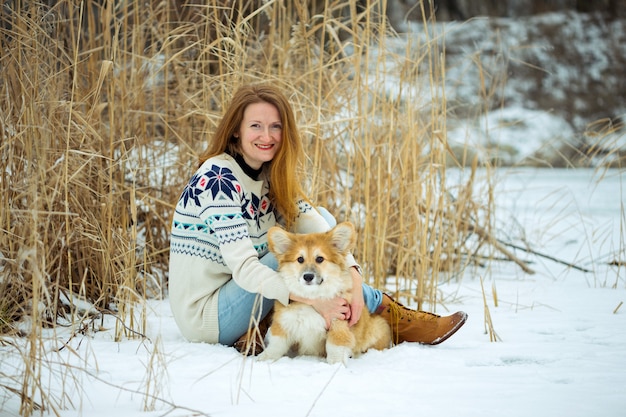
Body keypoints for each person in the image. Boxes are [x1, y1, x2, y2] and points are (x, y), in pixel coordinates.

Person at [168, 84, 467, 355]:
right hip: (208, 315)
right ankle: (393, 316)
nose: (267, 136)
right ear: (235, 130)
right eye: (256, 126)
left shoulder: (269, 176)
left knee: (319, 221)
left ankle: (265, 327)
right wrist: (317, 301)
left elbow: (315, 222)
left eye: (275, 127)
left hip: (242, 298)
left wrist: (353, 276)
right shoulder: (217, 179)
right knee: (286, 258)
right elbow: (247, 269)